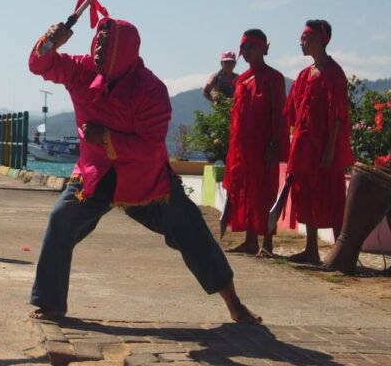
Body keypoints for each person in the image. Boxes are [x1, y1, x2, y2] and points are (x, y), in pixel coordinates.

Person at [27, 17, 260, 324]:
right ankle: (51, 303)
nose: (98, 48)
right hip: (94, 175)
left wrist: (106, 137)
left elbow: (150, 146)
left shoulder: (151, 89)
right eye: (97, 40)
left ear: (123, 50)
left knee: (192, 229)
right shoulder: (82, 70)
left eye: (106, 43)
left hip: (147, 182)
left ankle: (234, 304)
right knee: (61, 218)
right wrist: (51, 40)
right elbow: (40, 65)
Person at [284, 19, 352, 263]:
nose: (301, 43)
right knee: (305, 192)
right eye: (302, 38)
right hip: (304, 146)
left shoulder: (334, 73)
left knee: (331, 193)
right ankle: (311, 249)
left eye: (306, 38)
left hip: (324, 145)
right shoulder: (304, 75)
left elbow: (338, 115)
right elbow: (293, 112)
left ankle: (340, 253)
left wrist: (331, 147)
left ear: (321, 41)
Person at [223, 29, 289, 257]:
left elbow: (279, 114)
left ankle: (267, 243)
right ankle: (250, 240)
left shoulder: (274, 78)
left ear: (263, 48)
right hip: (242, 147)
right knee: (245, 192)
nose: (246, 51)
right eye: (244, 47)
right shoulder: (242, 79)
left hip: (263, 146)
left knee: (264, 191)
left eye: (251, 46)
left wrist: (275, 144)